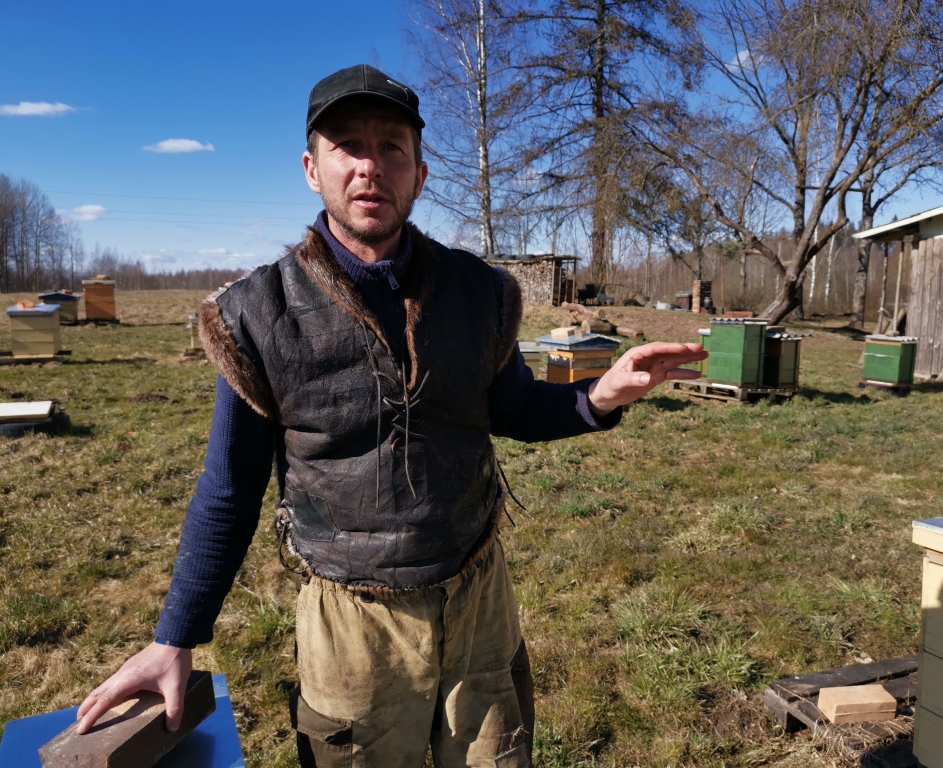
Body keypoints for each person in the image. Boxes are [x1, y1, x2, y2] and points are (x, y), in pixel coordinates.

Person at [75, 64, 706, 767]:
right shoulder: (256, 316)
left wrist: (599, 395)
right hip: (354, 621)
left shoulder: (480, 292)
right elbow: (229, 486)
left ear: (420, 174)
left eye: (392, 147)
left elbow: (515, 407)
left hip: (478, 599)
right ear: (313, 169)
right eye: (349, 145)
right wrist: (175, 636)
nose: (371, 166)